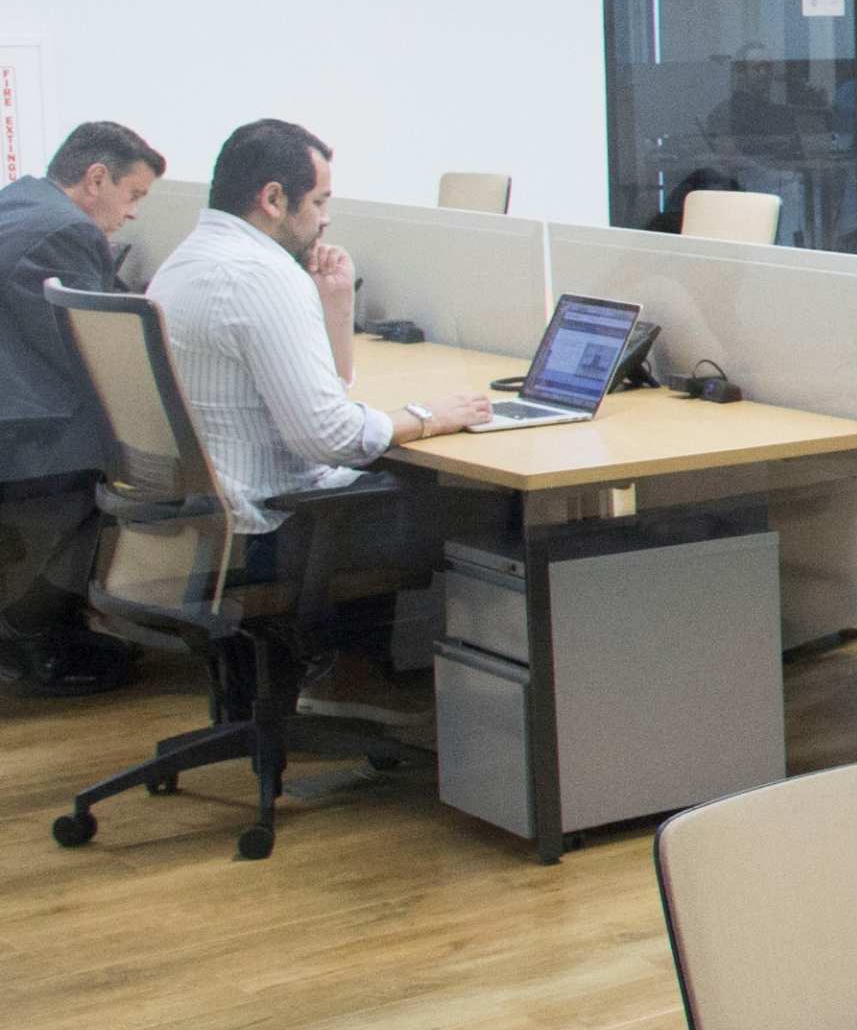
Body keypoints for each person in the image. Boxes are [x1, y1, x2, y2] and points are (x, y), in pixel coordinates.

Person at [143, 120, 494, 722]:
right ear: (273, 199)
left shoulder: (187, 261)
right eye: (320, 201)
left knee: (397, 483)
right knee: (488, 507)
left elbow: (309, 396)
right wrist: (429, 416)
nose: (326, 218)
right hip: (271, 530)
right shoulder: (262, 276)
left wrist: (334, 307)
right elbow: (331, 437)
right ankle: (358, 681)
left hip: (200, 526)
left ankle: (333, 678)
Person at [0, 121, 167, 693]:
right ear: (97, 178)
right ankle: (35, 637)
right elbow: (86, 352)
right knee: (120, 457)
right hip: (20, 433)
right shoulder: (69, 230)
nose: (134, 213)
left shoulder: (20, 199)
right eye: (133, 195)